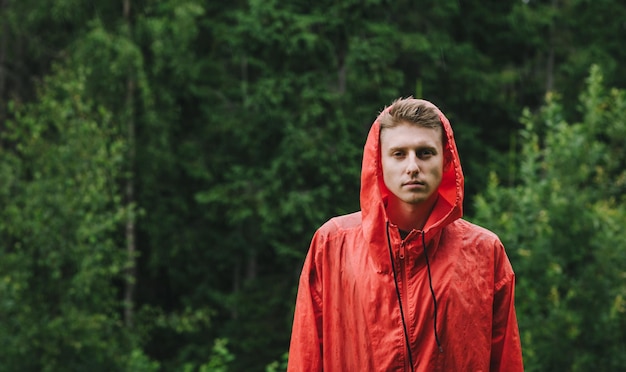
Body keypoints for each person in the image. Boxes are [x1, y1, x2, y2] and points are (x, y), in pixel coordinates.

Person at [287, 98, 523, 371]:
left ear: (446, 160)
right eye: (399, 154)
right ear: (379, 162)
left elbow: (506, 360)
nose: (412, 166)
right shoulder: (332, 245)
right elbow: (306, 356)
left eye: (424, 153)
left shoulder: (484, 252)